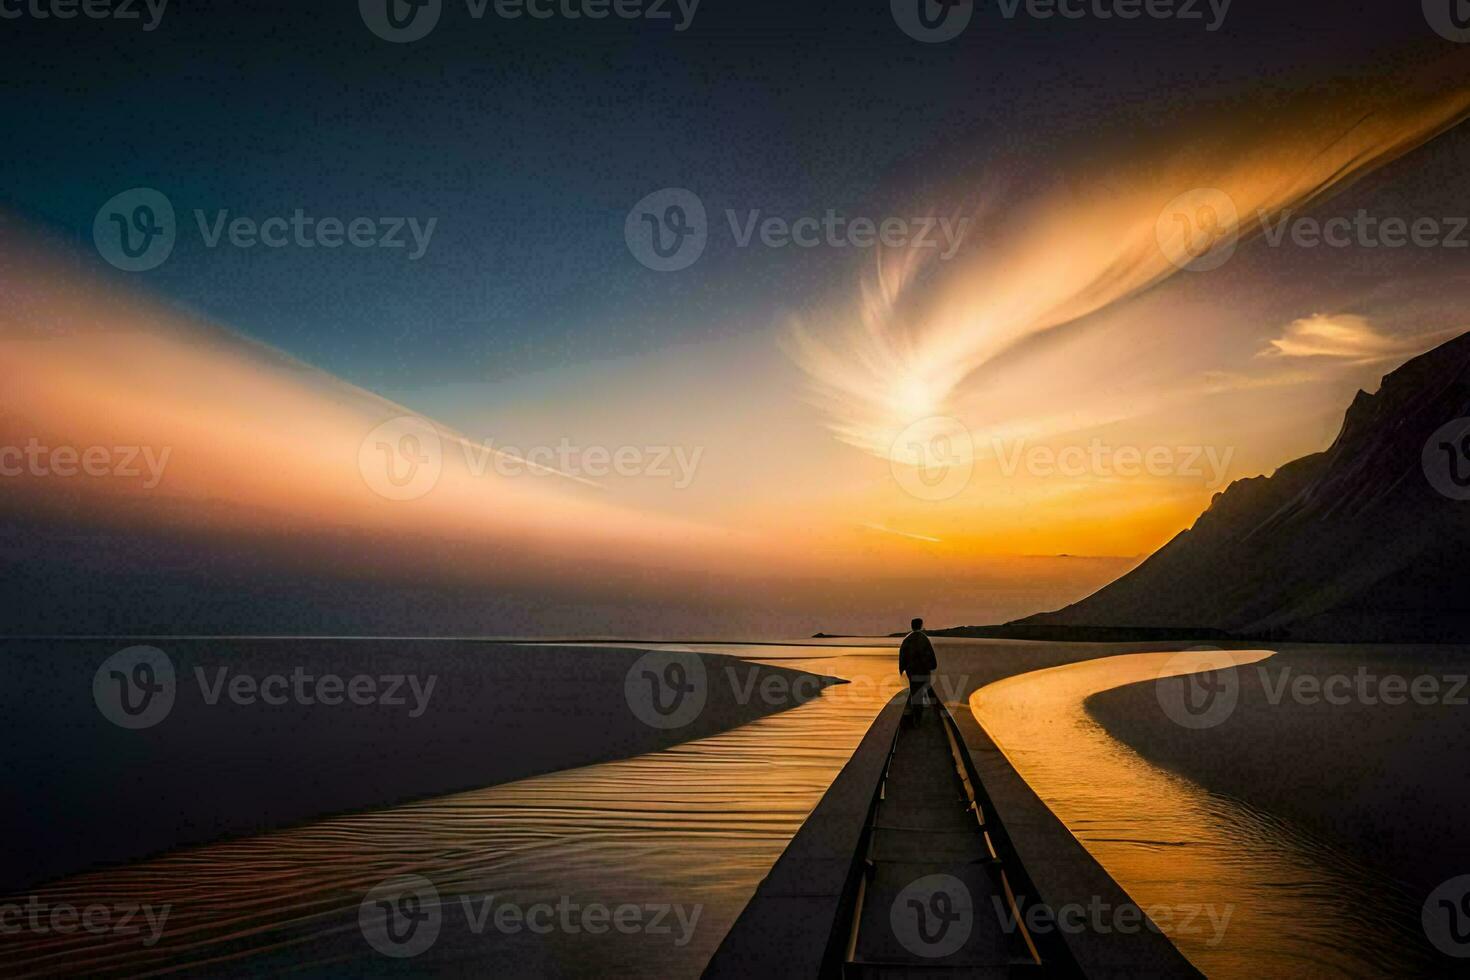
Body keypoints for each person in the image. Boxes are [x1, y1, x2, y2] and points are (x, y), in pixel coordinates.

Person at [898, 617, 937, 725]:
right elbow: (930, 655)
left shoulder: (907, 639)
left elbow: (902, 655)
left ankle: (917, 715)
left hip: (912, 671)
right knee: (921, 691)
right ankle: (919, 717)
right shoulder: (924, 639)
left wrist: (902, 668)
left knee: (916, 692)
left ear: (912, 626)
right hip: (923, 670)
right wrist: (933, 665)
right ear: (920, 625)